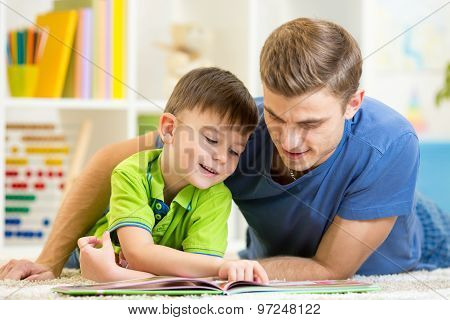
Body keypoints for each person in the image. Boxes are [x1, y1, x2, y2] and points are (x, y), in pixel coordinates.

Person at [1, 18, 448, 281]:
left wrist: (221, 273)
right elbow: (109, 162)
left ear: (353, 104)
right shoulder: (236, 130)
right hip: (274, 253)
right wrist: (48, 262)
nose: (289, 141)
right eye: (276, 117)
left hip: (424, 239)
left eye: (310, 124)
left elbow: (331, 268)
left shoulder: (391, 143)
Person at [73, 67, 268, 283]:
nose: (222, 158)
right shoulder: (131, 173)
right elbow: (138, 253)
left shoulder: (217, 196)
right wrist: (222, 266)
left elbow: (200, 271)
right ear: (169, 130)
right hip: (97, 251)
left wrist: (121, 276)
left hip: (123, 267)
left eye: (234, 151)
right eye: (212, 140)